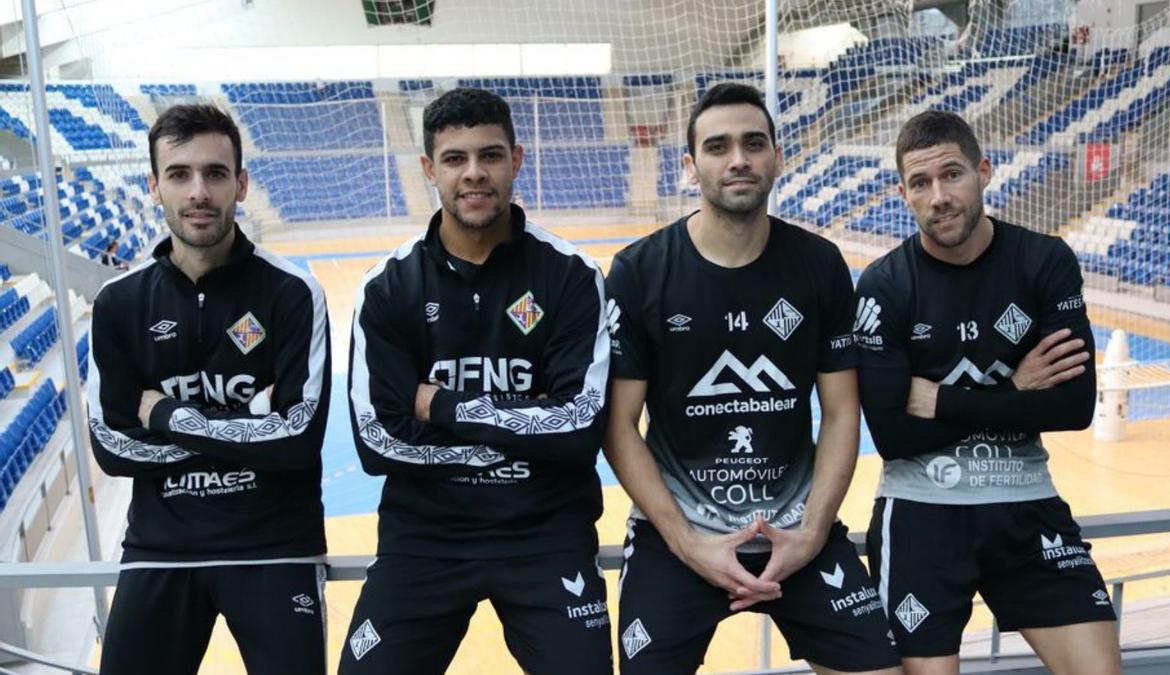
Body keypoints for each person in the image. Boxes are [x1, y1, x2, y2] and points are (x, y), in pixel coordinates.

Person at [604, 82, 901, 675]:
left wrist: (813, 533)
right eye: (718, 147)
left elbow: (843, 411)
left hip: (798, 530)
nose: (738, 159)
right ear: (691, 167)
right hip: (678, 537)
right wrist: (687, 543)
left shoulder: (818, 264)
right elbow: (618, 426)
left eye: (753, 143)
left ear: (777, 156)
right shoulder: (640, 272)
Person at [340, 87, 612, 674]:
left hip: (545, 535)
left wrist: (439, 406)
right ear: (428, 170)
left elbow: (578, 431)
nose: (474, 174)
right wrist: (525, 423)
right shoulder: (387, 288)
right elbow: (376, 442)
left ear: (516, 159)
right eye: (454, 159)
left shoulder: (571, 275)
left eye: (490, 155)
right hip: (426, 540)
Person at [855, 109, 1120, 675]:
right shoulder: (884, 283)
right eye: (920, 183)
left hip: (1026, 501)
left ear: (985, 171)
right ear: (903, 193)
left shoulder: (1044, 260)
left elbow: (1073, 407)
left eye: (952, 174)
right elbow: (893, 435)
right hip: (923, 511)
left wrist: (943, 401)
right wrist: (1018, 389)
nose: (939, 196)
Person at [87, 103, 332, 675]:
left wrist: (169, 415)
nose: (198, 191)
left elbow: (296, 442)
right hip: (161, 549)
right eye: (179, 174)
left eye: (215, 174)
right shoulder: (119, 304)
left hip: (275, 548)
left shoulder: (294, 293)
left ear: (241, 184)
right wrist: (251, 424)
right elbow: (110, 445)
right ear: (154, 186)